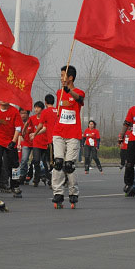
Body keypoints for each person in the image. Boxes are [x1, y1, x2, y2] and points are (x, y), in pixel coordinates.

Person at [51, 65, 86, 208]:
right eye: (60, 75)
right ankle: (58, 193)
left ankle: (73, 193)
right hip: (59, 132)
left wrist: (69, 91)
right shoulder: (59, 92)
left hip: (73, 134)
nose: (61, 78)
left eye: (63, 75)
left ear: (70, 78)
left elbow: (79, 98)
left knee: (69, 165)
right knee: (58, 163)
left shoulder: (78, 92)